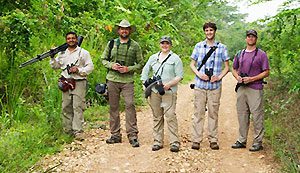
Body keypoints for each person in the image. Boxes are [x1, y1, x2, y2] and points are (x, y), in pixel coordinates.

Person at [102, 19, 143, 147]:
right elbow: (103, 59)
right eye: (121, 28)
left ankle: (132, 135)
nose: (124, 30)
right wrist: (112, 65)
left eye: (126, 28)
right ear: (118, 30)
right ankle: (115, 134)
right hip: (112, 79)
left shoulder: (135, 46)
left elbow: (140, 64)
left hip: (128, 80)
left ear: (129, 30)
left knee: (130, 105)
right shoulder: (111, 44)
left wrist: (128, 69)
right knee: (113, 107)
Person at [190, 22, 229, 150]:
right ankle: (196, 139)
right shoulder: (198, 46)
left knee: (213, 113)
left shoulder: (222, 47)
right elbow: (192, 64)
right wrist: (199, 74)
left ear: (215, 31)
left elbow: (227, 67)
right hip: (200, 85)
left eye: (211, 30)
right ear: (204, 32)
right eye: (206, 30)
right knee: (198, 112)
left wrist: (218, 77)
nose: (209, 32)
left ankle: (213, 139)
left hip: (215, 86)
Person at [141, 36, 183, 152]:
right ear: (160, 44)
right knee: (157, 116)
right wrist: (144, 84)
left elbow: (179, 75)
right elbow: (145, 70)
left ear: (170, 45)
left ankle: (174, 142)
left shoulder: (175, 58)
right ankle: (157, 141)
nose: (165, 46)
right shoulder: (153, 57)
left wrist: (169, 84)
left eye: (167, 43)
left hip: (169, 91)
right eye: (163, 43)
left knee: (170, 116)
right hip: (155, 91)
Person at [50, 31, 94, 140]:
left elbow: (90, 67)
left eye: (73, 38)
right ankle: (67, 130)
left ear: (76, 39)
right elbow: (56, 66)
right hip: (66, 82)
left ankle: (78, 131)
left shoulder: (83, 53)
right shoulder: (62, 53)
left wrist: (78, 70)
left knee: (78, 107)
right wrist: (52, 58)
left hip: (79, 82)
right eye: (69, 38)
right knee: (66, 106)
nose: (71, 40)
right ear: (66, 40)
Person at [231, 29, 270, 152]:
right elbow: (234, 69)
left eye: (253, 36)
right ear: (246, 38)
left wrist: (252, 78)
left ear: (256, 39)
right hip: (242, 88)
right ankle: (242, 140)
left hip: (255, 88)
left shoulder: (261, 54)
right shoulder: (240, 54)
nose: (250, 38)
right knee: (242, 114)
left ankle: (258, 142)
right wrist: (238, 77)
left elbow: (267, 72)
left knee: (257, 115)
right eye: (248, 36)